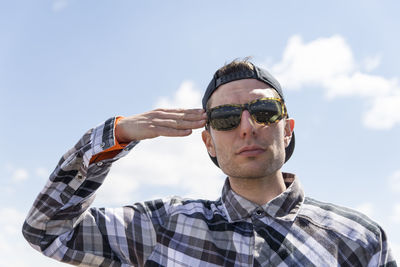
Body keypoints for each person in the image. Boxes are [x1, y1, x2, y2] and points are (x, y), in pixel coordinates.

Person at [23, 59, 397, 266]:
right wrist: (114, 135)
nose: (247, 128)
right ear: (209, 142)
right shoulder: (161, 227)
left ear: (287, 130)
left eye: (264, 111)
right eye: (226, 118)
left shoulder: (357, 240)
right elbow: (46, 231)